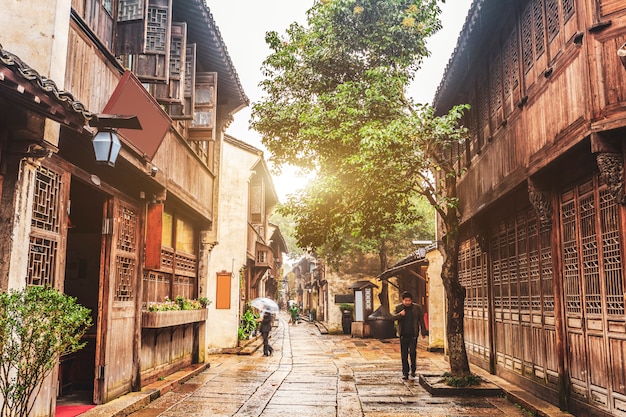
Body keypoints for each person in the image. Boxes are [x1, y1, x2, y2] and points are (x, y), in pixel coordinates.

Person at [392, 291, 428, 380]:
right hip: (403, 334)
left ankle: (413, 369)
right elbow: (392, 317)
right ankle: (405, 372)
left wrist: (423, 332)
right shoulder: (399, 308)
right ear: (402, 300)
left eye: (409, 300)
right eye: (406, 300)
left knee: (412, 352)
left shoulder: (416, 308)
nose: (407, 302)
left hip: (413, 334)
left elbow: (421, 320)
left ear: (411, 300)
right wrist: (400, 315)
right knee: (404, 354)